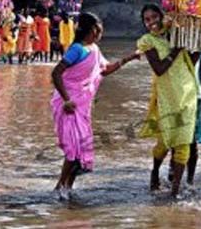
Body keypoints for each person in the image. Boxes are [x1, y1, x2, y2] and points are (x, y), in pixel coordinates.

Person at [50, 12, 137, 200]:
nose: (101, 33)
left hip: (82, 105)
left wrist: (128, 58)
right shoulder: (77, 49)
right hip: (69, 104)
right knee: (73, 149)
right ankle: (59, 187)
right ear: (92, 29)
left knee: (80, 148)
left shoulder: (94, 49)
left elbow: (104, 70)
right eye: (99, 29)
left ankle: (68, 188)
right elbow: (56, 73)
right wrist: (66, 99)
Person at [137, 4, 199, 199]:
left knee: (184, 142)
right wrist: (175, 50)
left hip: (187, 92)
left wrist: (197, 42)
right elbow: (159, 69)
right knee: (165, 141)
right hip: (166, 95)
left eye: (155, 16)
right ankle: (155, 171)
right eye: (147, 19)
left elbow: (191, 59)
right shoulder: (147, 41)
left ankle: (175, 191)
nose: (152, 22)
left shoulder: (176, 34)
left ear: (163, 16)